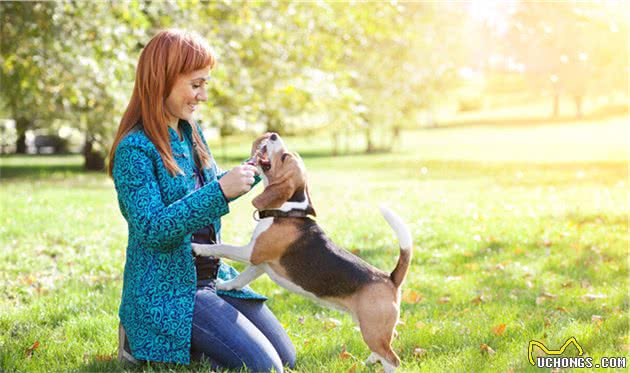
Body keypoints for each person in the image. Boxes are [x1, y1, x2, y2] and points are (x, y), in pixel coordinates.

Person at [107, 29, 295, 372]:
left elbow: (208, 185)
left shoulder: (189, 130)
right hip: (169, 291)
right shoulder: (134, 150)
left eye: (205, 84)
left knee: (287, 357)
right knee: (266, 369)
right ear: (162, 79)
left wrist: (252, 168)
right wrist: (220, 191)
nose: (203, 96)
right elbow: (153, 229)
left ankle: (194, 343)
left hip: (213, 275)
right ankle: (143, 336)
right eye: (196, 85)